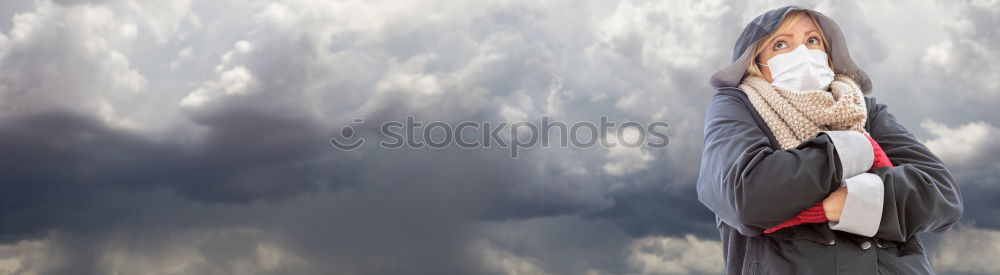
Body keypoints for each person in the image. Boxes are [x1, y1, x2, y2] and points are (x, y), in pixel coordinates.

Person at [697, 6, 964, 274]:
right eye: (780, 44)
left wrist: (846, 204)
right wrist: (857, 147)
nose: (802, 52)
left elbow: (942, 196)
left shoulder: (864, 110)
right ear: (756, 63)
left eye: (812, 40)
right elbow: (746, 198)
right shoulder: (737, 107)